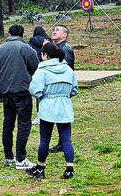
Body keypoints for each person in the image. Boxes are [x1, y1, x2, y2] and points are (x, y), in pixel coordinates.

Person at [26, 42, 79, 180]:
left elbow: (34, 90)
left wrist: (45, 96)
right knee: (66, 139)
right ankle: (69, 169)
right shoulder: (68, 69)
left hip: (47, 106)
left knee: (45, 139)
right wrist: (64, 96)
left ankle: (40, 167)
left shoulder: (42, 71)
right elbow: (74, 89)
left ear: (45, 55)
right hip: (65, 107)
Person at [0, 24, 39, 170]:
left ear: (9, 34)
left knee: (8, 124)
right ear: (22, 35)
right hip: (23, 91)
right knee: (24, 124)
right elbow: (35, 66)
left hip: (6, 93)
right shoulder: (25, 48)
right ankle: (21, 158)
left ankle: (8, 157)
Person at [49, 24, 75, 153]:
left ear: (64, 35)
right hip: (54, 88)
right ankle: (62, 142)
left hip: (62, 88)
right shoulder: (55, 48)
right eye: (53, 30)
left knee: (62, 116)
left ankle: (63, 143)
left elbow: (67, 69)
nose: (54, 32)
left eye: (57, 30)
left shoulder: (66, 49)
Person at [28, 26, 51, 124]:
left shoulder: (31, 43)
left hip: (37, 71)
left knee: (38, 93)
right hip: (48, 70)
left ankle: (39, 115)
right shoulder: (49, 42)